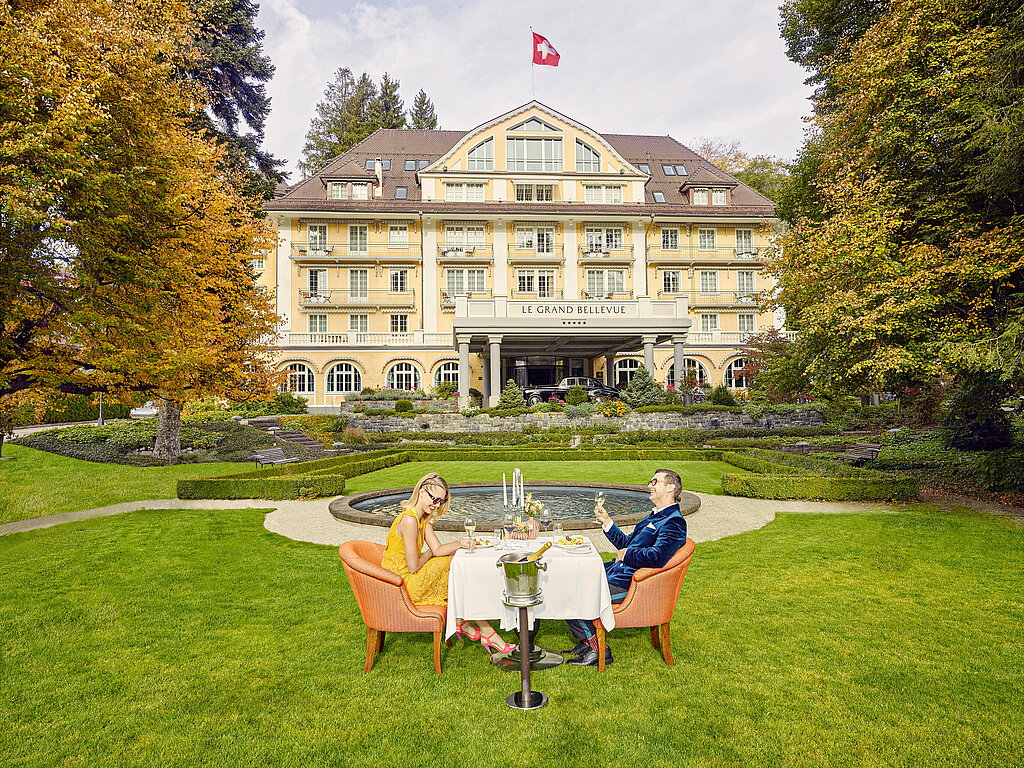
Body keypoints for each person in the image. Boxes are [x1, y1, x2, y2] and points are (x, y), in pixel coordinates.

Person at [564, 468, 688, 667]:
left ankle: (598, 649)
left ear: (670, 488)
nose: (650, 486)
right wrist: (607, 522)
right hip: (618, 574)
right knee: (572, 579)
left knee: (574, 595)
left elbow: (657, 558)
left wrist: (627, 554)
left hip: (631, 586)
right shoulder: (654, 517)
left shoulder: (674, 522)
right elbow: (626, 543)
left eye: (655, 482)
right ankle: (587, 641)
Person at [380, 472, 513, 657]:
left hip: (405, 577)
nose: (436, 505)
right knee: (454, 566)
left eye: (440, 501)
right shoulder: (410, 520)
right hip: (400, 584)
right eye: (434, 499)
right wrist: (432, 553)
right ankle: (476, 627)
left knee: (455, 562)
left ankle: (470, 624)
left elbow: (438, 548)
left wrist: (459, 543)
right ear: (421, 491)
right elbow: (413, 567)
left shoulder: (421, 519)